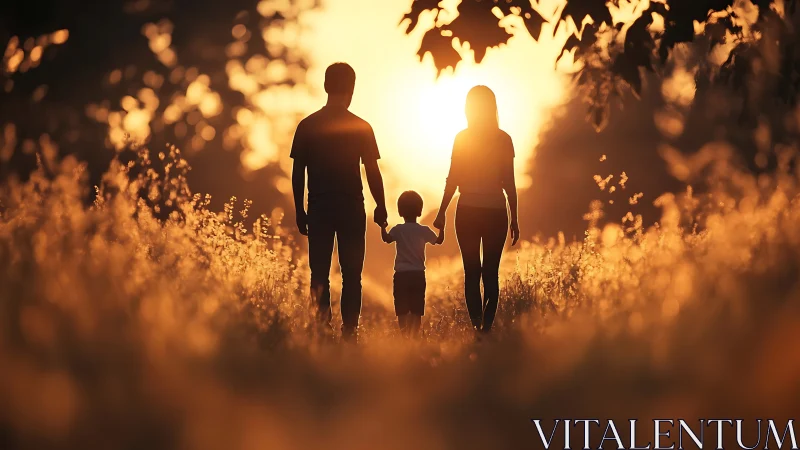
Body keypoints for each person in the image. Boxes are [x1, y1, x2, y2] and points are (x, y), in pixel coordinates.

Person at [290, 62, 388, 342]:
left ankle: (322, 331)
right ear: (352, 89)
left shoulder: (308, 125)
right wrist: (380, 205)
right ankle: (350, 332)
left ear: (325, 86)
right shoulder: (361, 127)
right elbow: (372, 170)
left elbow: (298, 172)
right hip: (352, 208)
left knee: (319, 273)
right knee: (352, 276)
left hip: (319, 208)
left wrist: (300, 209)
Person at [432, 85, 520, 336]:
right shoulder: (503, 138)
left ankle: (477, 328)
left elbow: (452, 179)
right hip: (495, 212)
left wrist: (441, 213)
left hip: (467, 211)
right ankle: (486, 330)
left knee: (472, 271)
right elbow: (509, 183)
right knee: (490, 271)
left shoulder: (463, 137)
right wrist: (514, 217)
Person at [381, 191, 444, 336]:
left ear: (400, 211)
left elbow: (386, 239)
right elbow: (439, 241)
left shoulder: (398, 229)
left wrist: (382, 226)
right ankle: (414, 336)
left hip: (401, 275)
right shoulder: (424, 230)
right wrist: (442, 228)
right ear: (420, 210)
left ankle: (404, 336)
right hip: (418, 274)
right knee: (416, 308)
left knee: (402, 308)